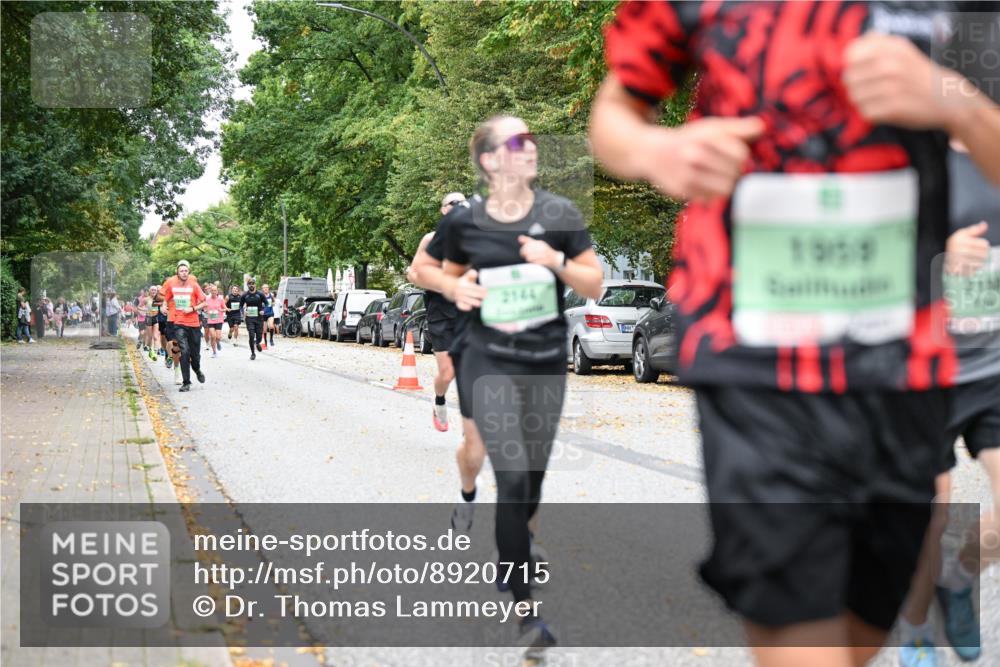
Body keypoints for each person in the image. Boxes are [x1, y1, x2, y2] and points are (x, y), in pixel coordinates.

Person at [589, 3, 1000, 666]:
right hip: (752, 361)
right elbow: (612, 117)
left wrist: (951, 99)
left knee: (860, 634)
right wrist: (656, 149)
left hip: (901, 371)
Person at [418, 115, 604, 649]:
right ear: (490, 160)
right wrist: (456, 289)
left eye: (532, 141)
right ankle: (524, 613)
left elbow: (594, 282)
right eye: (518, 142)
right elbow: (428, 270)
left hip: (544, 361)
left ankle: (513, 553)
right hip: (487, 359)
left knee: (533, 482)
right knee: (515, 476)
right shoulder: (465, 222)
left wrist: (555, 262)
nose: (531, 149)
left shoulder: (559, 213)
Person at [895, 142, 1000, 667]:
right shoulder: (916, 156)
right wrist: (941, 245)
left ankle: (957, 577)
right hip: (928, 367)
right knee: (927, 514)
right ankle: (915, 630)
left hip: (993, 368)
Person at [408, 192, 487, 533]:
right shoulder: (430, 240)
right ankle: (439, 399)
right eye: (449, 205)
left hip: (471, 316)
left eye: (460, 203)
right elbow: (414, 274)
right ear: (441, 211)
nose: (454, 208)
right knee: (447, 371)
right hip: (440, 313)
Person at [156, 260, 207, 392]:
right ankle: (186, 381)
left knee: (195, 355)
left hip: (194, 323)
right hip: (178, 322)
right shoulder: (172, 284)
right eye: (181, 271)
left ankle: (196, 369)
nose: (184, 273)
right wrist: (163, 305)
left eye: (186, 271)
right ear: (177, 272)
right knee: (183, 351)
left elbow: (204, 302)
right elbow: (162, 297)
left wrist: (193, 308)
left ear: (188, 272)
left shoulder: (194, 285)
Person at [240, 278, 267, 360]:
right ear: (248, 285)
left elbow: (267, 303)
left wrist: (263, 310)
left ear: (255, 284)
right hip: (249, 318)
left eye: (253, 283)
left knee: (259, 336)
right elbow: (241, 306)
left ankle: (257, 343)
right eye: (249, 284)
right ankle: (253, 353)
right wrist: (243, 311)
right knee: (251, 335)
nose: (251, 285)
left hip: (259, 318)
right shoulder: (245, 295)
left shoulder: (260, 294)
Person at [203, 283, 226, 358]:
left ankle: (218, 342)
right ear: (210, 291)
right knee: (213, 336)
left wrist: (221, 310)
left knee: (218, 337)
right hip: (211, 320)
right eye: (212, 290)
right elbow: (204, 308)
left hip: (219, 320)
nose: (213, 292)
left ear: (217, 291)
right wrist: (206, 310)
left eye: (215, 290)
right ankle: (214, 352)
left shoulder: (220, 299)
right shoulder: (207, 299)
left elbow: (224, 308)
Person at [261, 283, 276, 349]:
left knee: (271, 326)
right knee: (264, 330)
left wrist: (273, 304)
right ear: (262, 289)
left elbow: (274, 302)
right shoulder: (260, 296)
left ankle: (271, 339)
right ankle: (265, 341)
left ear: (268, 288)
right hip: (263, 314)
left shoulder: (271, 295)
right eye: (264, 288)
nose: (266, 288)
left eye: (267, 287)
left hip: (270, 313)